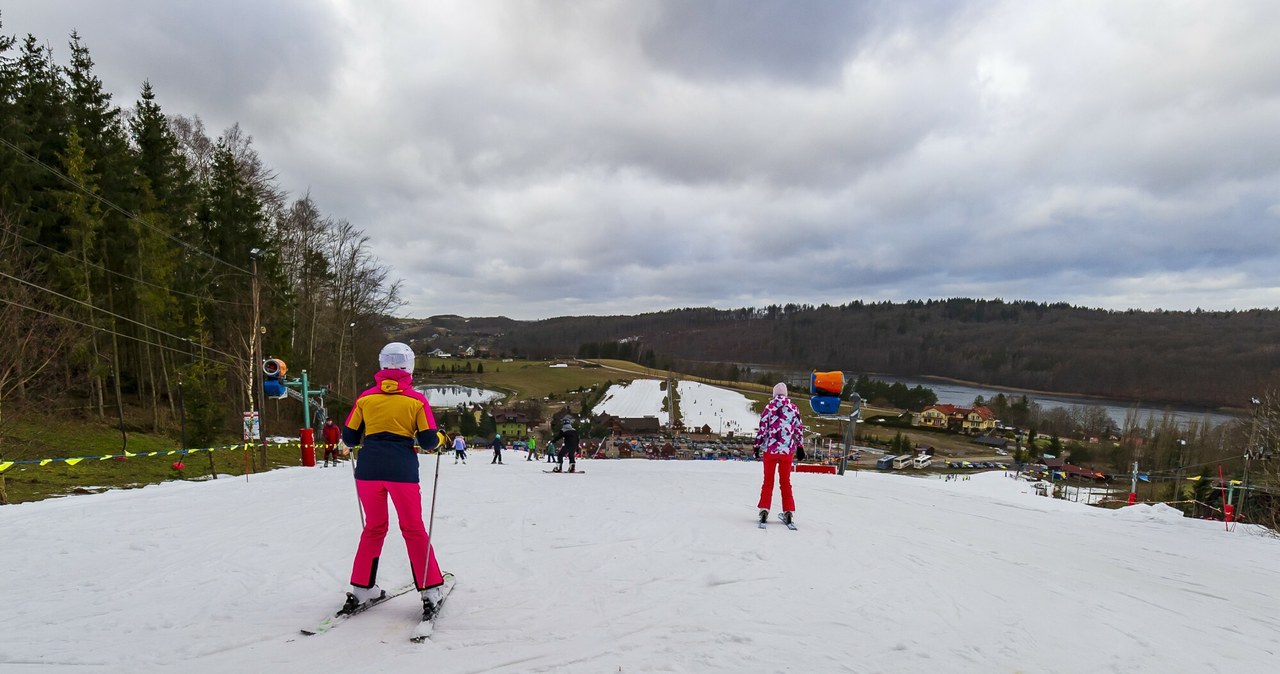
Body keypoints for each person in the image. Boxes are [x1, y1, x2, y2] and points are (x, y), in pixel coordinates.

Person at [340, 341, 448, 622]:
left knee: (374, 528)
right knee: (413, 529)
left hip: (368, 471)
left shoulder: (365, 399)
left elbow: (349, 438)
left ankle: (362, 588)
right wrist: (440, 438)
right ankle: (430, 590)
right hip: (401, 472)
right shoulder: (416, 400)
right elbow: (427, 442)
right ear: (409, 367)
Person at [754, 382, 804, 526]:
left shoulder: (769, 408)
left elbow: (762, 429)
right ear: (786, 394)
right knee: (785, 482)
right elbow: (798, 429)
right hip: (787, 451)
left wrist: (757, 446)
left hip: (770, 450)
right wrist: (799, 447)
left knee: (768, 481)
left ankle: (764, 509)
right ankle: (788, 511)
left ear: (774, 394)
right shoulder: (793, 409)